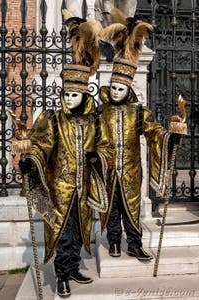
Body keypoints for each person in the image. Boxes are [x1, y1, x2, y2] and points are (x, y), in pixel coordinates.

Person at [19, 63, 110, 298]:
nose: (69, 99)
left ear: (84, 95)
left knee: (81, 230)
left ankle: (73, 268)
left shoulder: (95, 121)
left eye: (74, 95)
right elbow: (41, 144)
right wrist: (31, 159)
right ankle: (62, 276)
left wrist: (97, 157)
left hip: (85, 187)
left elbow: (105, 147)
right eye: (66, 94)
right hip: (61, 188)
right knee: (63, 232)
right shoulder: (53, 119)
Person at [99, 57, 182, 261]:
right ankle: (114, 242)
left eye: (121, 89)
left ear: (129, 90)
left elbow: (153, 131)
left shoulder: (137, 112)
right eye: (114, 88)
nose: (116, 92)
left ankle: (135, 244)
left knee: (132, 207)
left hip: (131, 170)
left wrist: (170, 136)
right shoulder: (100, 112)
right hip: (107, 170)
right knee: (112, 207)